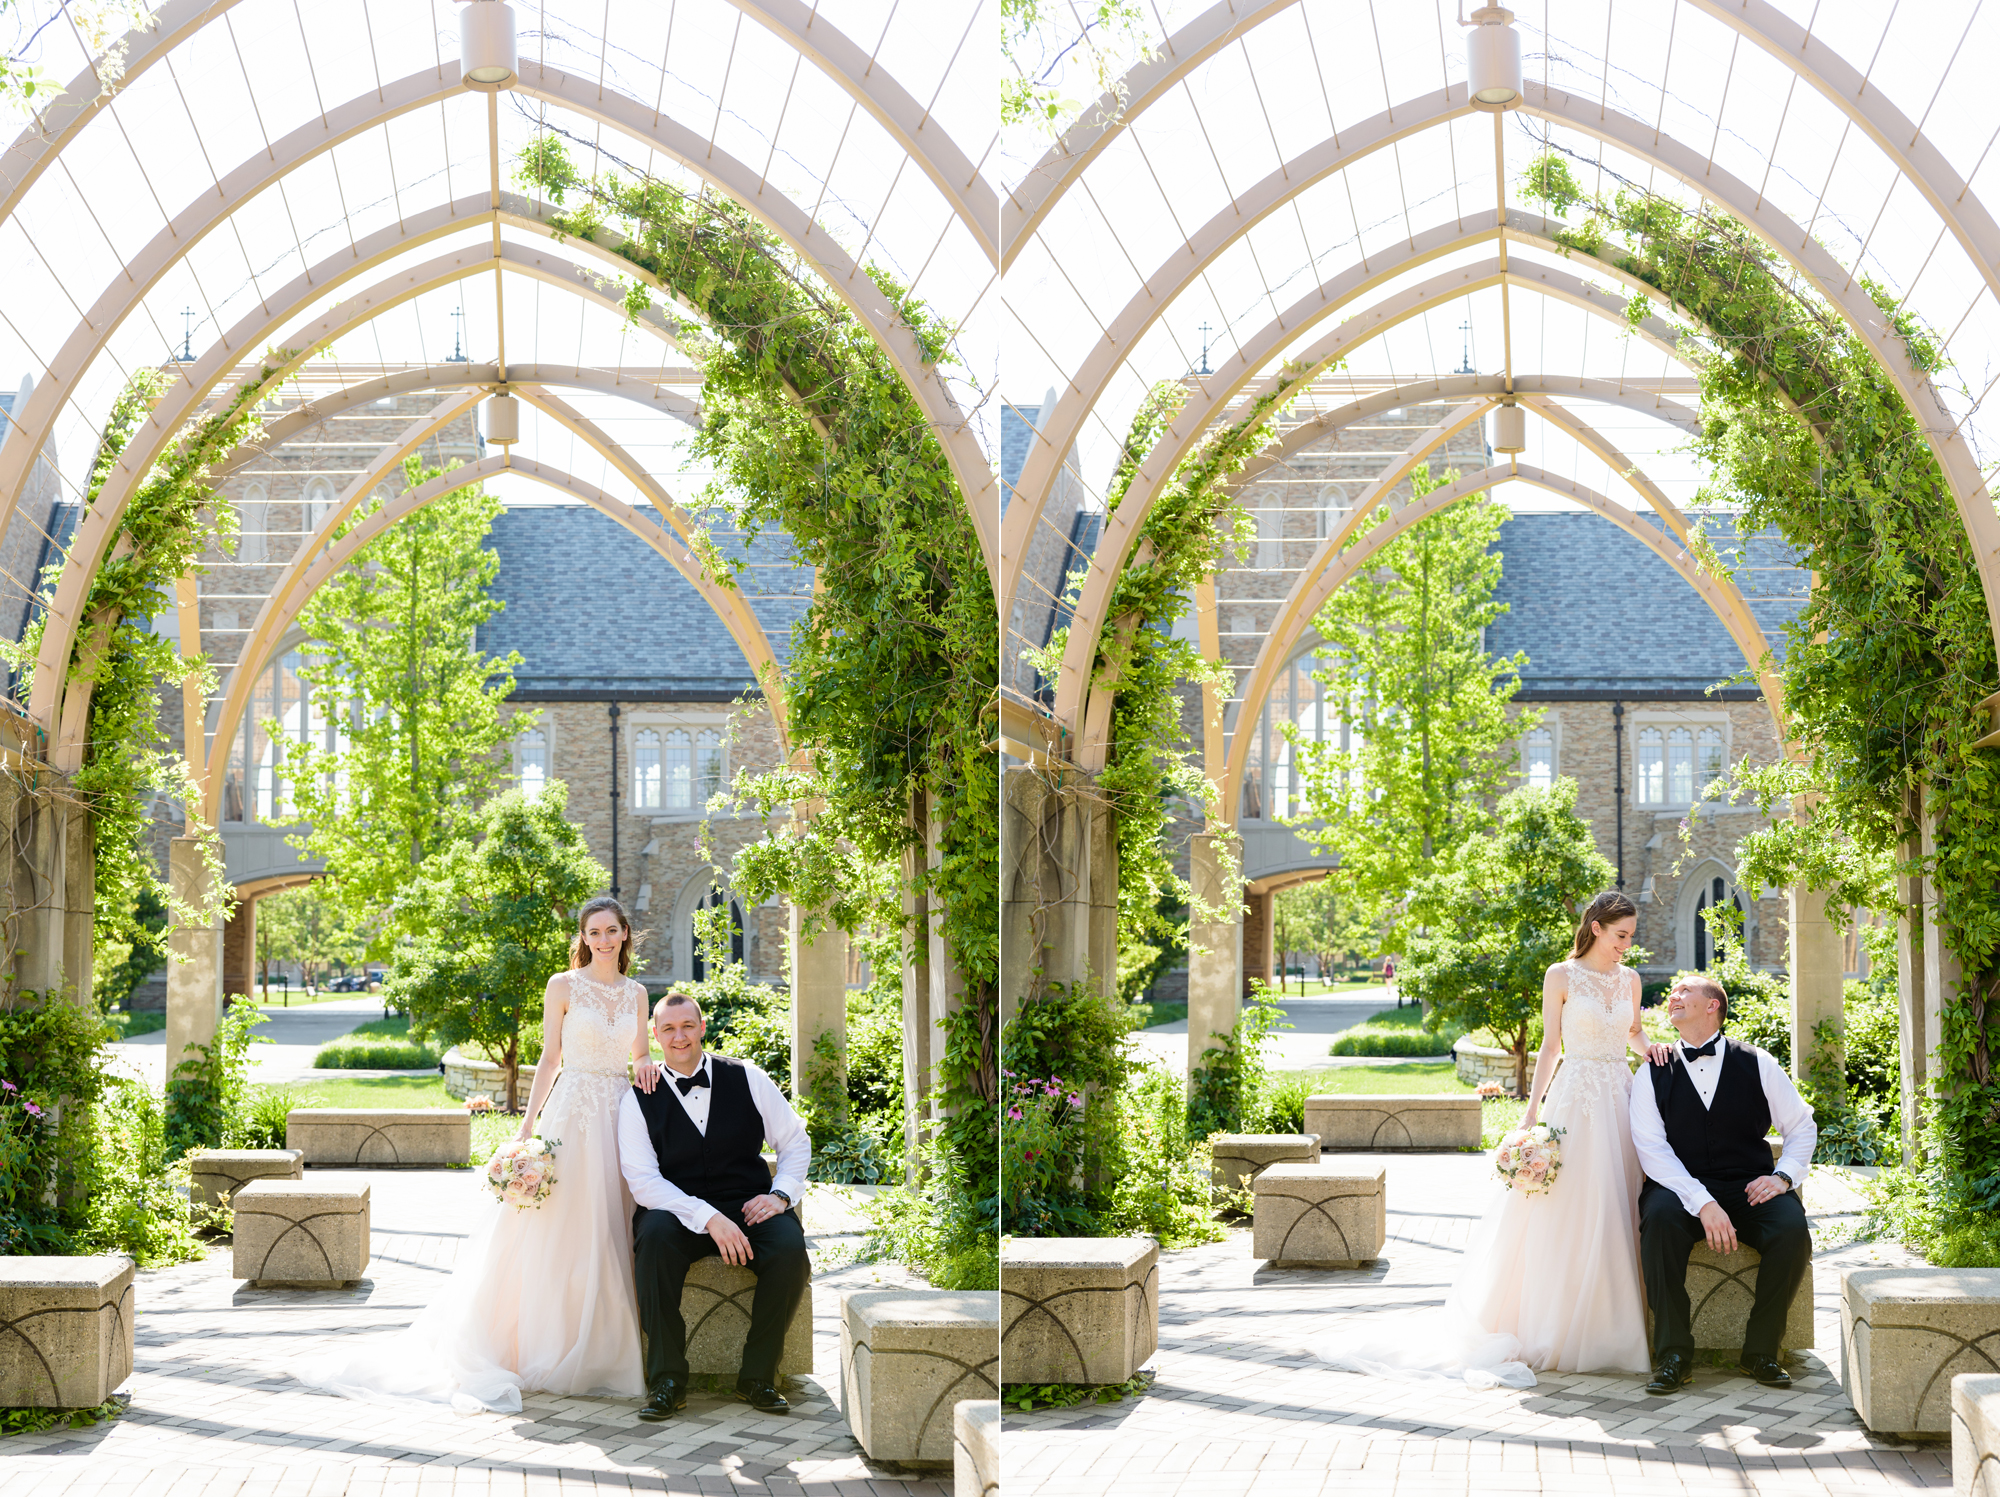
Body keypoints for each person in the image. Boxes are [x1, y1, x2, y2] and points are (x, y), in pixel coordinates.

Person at [299, 896, 662, 1413]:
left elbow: (640, 1052)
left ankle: (607, 1346)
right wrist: (527, 1128)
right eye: (593, 932)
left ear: (625, 934)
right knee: (556, 1228)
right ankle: (543, 1344)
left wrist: (646, 1062)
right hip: (572, 1115)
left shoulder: (637, 993)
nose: (603, 940)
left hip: (621, 1115)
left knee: (611, 1226)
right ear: (583, 938)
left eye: (611, 931)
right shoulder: (563, 986)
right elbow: (550, 1059)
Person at [1307, 891, 1672, 1385]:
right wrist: (1530, 1114)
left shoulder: (1630, 979)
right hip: (1574, 1099)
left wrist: (1655, 1052)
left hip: (1620, 1098)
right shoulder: (1560, 976)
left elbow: (1633, 1034)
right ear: (1596, 928)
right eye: (1621, 935)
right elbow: (1549, 1046)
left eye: (1631, 936)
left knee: (1617, 1204)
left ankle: (1613, 1323)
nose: (1627, 945)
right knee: (1568, 1206)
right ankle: (1554, 1325)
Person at [617, 992, 811, 1422]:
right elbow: (643, 1181)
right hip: (677, 1209)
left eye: (687, 1025)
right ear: (655, 1035)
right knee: (652, 1245)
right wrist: (707, 1217)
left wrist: (779, 1196)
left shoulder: (748, 1076)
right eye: (668, 1028)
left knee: (789, 1251)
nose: (679, 1036)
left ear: (702, 1028)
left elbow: (795, 1143)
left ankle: (758, 1376)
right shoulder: (635, 1100)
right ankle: (667, 1379)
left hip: (748, 1204)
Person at [1632, 974, 1816, 1395]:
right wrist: (1701, 1201)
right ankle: (1673, 1354)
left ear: (1712, 1005)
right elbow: (1651, 1150)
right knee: (1658, 1223)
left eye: (1684, 992)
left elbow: (1802, 1126)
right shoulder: (1652, 1072)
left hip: (1749, 1186)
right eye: (1673, 993)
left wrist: (1783, 1176)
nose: (1672, 997)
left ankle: (1761, 1350)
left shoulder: (1758, 1062)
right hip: (1679, 1188)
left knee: (1791, 1231)